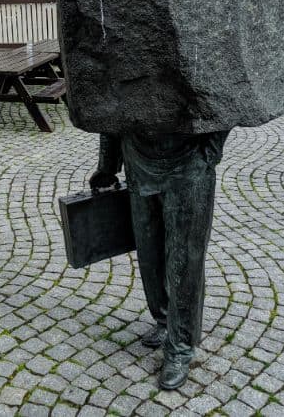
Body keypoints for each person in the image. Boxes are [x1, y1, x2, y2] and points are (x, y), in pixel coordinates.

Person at [92, 130, 229, 390]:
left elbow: (227, 98)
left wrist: (210, 153)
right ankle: (164, 320)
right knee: (149, 254)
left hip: (189, 165)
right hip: (138, 161)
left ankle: (181, 346)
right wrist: (107, 165)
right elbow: (108, 104)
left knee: (184, 260)